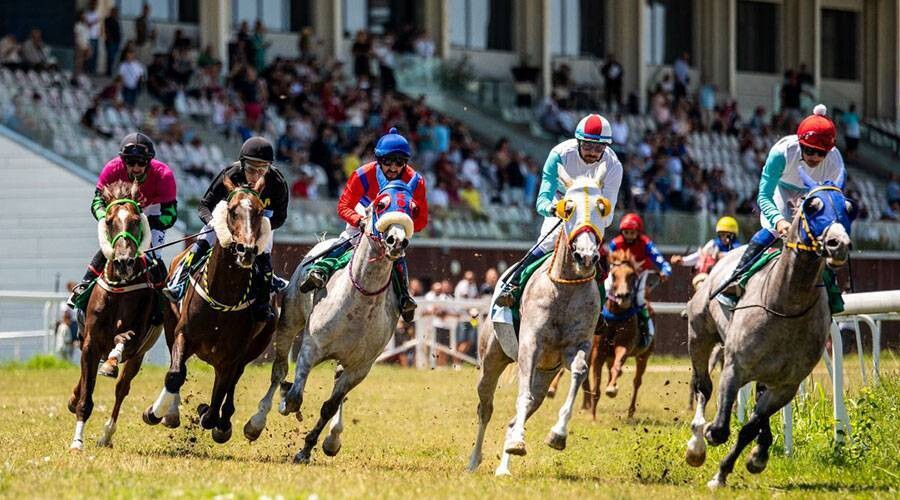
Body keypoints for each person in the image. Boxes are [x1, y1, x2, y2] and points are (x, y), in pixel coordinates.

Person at [297, 128, 428, 323]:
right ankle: (321, 270)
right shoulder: (363, 174)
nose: (393, 168)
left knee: (398, 251)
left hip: (393, 217)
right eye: (387, 162)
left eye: (399, 162)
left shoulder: (416, 181)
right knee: (350, 240)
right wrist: (360, 221)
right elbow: (343, 206)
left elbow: (422, 220)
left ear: (406, 162)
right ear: (378, 160)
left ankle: (404, 297)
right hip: (365, 210)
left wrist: (404, 223)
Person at [496, 114, 624, 306]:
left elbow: (607, 217)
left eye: (598, 148)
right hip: (563, 203)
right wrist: (555, 209)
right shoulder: (559, 154)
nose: (591, 152)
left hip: (591, 211)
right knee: (549, 241)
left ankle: (600, 308)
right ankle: (513, 285)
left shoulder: (614, 166)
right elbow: (542, 202)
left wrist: (599, 212)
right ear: (578, 140)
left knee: (593, 251)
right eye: (587, 145)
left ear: (606, 147)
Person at [721, 104, 846, 298]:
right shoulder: (782, 152)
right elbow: (763, 196)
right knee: (772, 230)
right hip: (781, 189)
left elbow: (833, 203)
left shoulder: (835, 163)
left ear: (829, 151)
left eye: (821, 153)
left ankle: (832, 288)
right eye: (810, 150)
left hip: (813, 192)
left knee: (823, 231)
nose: (814, 157)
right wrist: (779, 221)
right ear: (800, 143)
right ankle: (738, 277)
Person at [165, 137, 289, 323]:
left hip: (259, 220)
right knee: (203, 241)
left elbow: (280, 217)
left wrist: (256, 228)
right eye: (251, 169)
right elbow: (204, 206)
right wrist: (216, 224)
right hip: (226, 216)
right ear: (242, 164)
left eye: (262, 170)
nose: (255, 176)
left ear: (269, 168)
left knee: (264, 253)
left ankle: (264, 297)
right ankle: (178, 283)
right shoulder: (230, 174)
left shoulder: (277, 181)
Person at [67, 133, 177, 309]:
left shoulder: (164, 175)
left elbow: (170, 213)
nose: (136, 168)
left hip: (152, 211)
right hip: (119, 212)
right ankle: (85, 284)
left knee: (152, 253)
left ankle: (164, 297)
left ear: (149, 161)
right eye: (130, 162)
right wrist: (107, 218)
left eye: (141, 162)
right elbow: (97, 201)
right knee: (113, 247)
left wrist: (147, 224)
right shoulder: (111, 169)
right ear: (123, 161)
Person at [606, 213, 671, 348]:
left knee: (640, 299)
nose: (629, 235)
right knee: (605, 292)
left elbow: (658, 259)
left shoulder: (646, 243)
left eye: (632, 232)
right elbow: (608, 261)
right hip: (617, 276)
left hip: (639, 276)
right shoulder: (615, 243)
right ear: (621, 232)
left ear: (638, 232)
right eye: (626, 232)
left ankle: (648, 331)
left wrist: (665, 270)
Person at [671, 216, 742, 287]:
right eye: (721, 235)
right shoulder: (713, 244)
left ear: (733, 235)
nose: (723, 238)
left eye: (726, 235)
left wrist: (720, 255)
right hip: (714, 275)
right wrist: (683, 260)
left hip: (729, 276)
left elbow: (736, 258)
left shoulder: (738, 248)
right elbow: (699, 256)